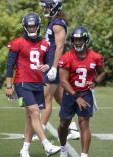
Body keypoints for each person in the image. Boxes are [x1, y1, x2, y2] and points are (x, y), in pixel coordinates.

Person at [5, 13, 60, 157]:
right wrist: (9, 86)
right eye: (29, 26)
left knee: (30, 117)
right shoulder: (17, 43)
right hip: (22, 83)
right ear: (25, 27)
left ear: (38, 26)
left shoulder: (45, 44)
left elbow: (49, 61)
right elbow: (9, 65)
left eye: (34, 26)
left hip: (37, 83)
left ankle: (25, 149)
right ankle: (47, 146)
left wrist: (47, 66)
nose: (32, 28)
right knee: (35, 112)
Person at [57, 26, 107, 157]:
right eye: (75, 40)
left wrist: (96, 81)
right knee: (63, 124)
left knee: (84, 122)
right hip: (70, 93)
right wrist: (76, 97)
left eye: (80, 40)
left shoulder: (95, 57)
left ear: (86, 40)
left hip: (86, 92)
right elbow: (63, 81)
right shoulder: (67, 57)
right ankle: (63, 148)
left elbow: (103, 72)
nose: (78, 42)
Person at [39, 0, 80, 140]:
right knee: (60, 98)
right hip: (51, 64)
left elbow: (60, 47)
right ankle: (73, 128)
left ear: (55, 7)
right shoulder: (53, 22)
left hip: (54, 64)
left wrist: (54, 68)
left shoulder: (57, 24)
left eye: (47, 6)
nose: (45, 9)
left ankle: (39, 130)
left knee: (46, 98)